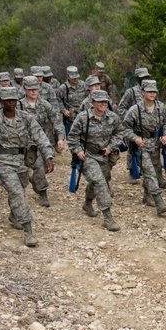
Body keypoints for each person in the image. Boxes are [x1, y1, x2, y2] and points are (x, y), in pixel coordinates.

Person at [0, 87, 55, 247]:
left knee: (21, 189)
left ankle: (14, 216)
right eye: (8, 100)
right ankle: (28, 230)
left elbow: (40, 136)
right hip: (4, 160)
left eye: (14, 100)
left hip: (23, 161)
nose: (11, 103)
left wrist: (48, 155)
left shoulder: (26, 118)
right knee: (17, 193)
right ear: (1, 102)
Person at [67, 90, 126, 231]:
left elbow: (120, 133)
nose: (103, 104)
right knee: (99, 181)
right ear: (92, 102)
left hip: (104, 156)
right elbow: (72, 138)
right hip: (87, 156)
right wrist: (78, 151)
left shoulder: (113, 117)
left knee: (102, 180)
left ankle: (87, 203)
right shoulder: (83, 118)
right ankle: (108, 216)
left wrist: (111, 147)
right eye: (99, 101)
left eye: (105, 101)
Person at [121, 79, 166, 215]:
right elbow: (124, 128)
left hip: (156, 144)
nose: (152, 94)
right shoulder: (135, 109)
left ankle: (147, 195)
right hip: (141, 146)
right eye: (149, 91)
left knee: (156, 171)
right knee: (149, 172)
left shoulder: (161, 107)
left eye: (154, 91)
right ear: (142, 92)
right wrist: (135, 138)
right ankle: (159, 202)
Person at [19, 75, 65, 207]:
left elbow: (56, 121)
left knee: (45, 167)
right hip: (26, 143)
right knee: (37, 167)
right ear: (25, 90)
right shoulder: (19, 105)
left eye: (36, 88)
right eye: (30, 89)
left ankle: (36, 182)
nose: (34, 91)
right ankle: (43, 193)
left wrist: (60, 138)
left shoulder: (45, 105)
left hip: (43, 141)